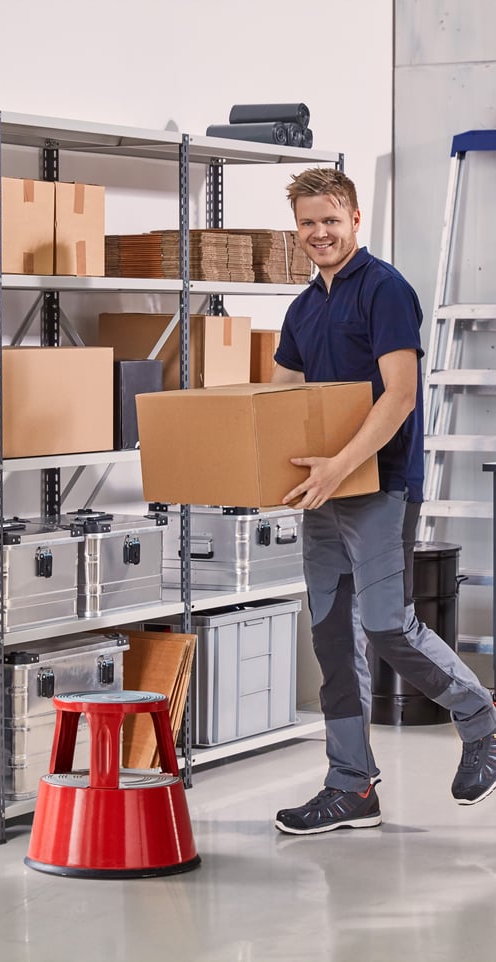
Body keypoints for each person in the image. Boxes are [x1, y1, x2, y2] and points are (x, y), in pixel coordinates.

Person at [271, 166, 496, 835]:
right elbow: (280, 400)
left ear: (355, 218)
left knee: (385, 624)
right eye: (308, 222)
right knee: (332, 637)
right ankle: (351, 786)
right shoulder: (304, 307)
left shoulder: (384, 289)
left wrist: (342, 465)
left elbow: (399, 394)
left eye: (330, 220)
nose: (319, 233)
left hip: (380, 486)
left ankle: (480, 716)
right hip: (320, 493)